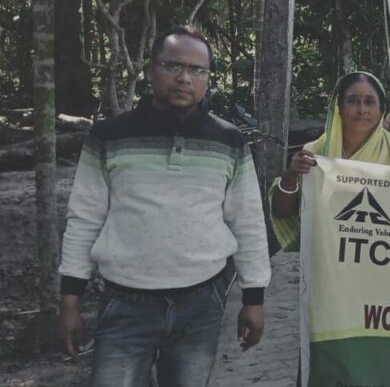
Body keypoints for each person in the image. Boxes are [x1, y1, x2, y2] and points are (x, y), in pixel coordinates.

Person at [58, 26, 271, 384]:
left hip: (200, 304)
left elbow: (247, 220)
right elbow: (84, 218)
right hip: (125, 303)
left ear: (207, 79)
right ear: (151, 70)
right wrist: (70, 302)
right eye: (172, 65)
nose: (184, 77)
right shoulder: (109, 136)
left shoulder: (229, 141)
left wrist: (254, 298)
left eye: (197, 70)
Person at [270, 72, 390, 251]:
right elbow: (282, 212)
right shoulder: (314, 153)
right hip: (325, 260)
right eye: (353, 101)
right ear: (338, 106)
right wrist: (291, 176)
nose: (362, 109)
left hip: (382, 258)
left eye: (369, 102)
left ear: (381, 109)